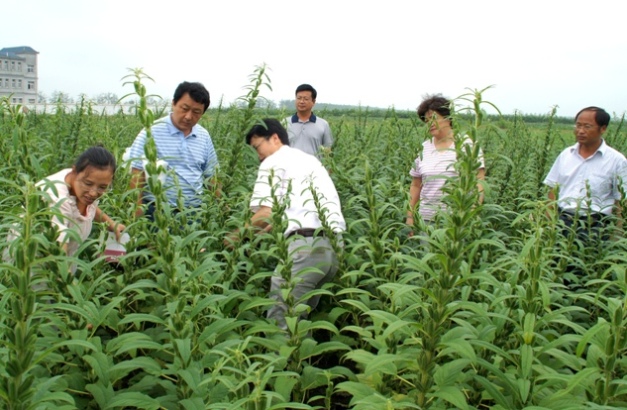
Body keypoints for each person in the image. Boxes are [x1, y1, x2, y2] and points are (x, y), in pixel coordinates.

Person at [227, 118, 345, 331]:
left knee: (282, 323)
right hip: (334, 248)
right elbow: (283, 211)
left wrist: (233, 239)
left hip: (305, 248)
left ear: (274, 138)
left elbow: (265, 213)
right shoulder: (310, 161)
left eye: (257, 147)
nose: (258, 155)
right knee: (301, 323)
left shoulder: (272, 162)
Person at [13, 147, 125, 272]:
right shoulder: (57, 199)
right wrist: (67, 280)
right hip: (33, 263)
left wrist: (111, 223)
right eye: (88, 184)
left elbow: (90, 207)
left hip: (64, 258)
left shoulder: (82, 184)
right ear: (74, 171)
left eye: (103, 187)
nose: (93, 193)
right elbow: (59, 254)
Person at [128, 81, 219, 219]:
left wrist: (219, 207)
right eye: (184, 108)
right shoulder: (151, 131)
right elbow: (136, 171)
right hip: (156, 212)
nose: (188, 116)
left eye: (196, 112)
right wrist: (137, 212)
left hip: (193, 213)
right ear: (173, 103)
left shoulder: (203, 136)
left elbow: (212, 175)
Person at [544, 106, 627, 241]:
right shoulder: (566, 155)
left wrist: (618, 235)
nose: (581, 131)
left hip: (596, 227)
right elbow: (553, 189)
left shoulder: (616, 160)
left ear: (603, 129)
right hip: (561, 222)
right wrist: (549, 223)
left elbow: (621, 200)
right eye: (578, 125)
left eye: (587, 126)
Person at [406, 95, 485, 231]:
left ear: (448, 118)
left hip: (458, 221)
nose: (430, 123)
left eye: (434, 118)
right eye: (426, 120)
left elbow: (479, 182)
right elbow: (416, 185)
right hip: (427, 222)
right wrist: (410, 218)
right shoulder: (424, 148)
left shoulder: (468, 145)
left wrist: (471, 214)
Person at [285, 84, 333, 158]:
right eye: (299, 98)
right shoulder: (285, 123)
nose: (301, 101)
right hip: (291, 165)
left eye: (306, 99)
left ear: (313, 101)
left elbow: (327, 150)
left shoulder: (323, 124)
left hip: (315, 165)